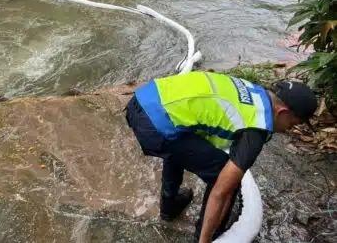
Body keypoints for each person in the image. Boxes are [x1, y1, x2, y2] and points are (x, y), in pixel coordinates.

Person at [125, 71, 317, 242]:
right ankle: (208, 236)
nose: (291, 129)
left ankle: (169, 206)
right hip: (155, 124)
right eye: (293, 123)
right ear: (282, 112)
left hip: (144, 98)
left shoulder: (256, 92)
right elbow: (221, 191)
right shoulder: (256, 128)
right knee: (225, 177)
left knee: (178, 139)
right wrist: (206, 239)